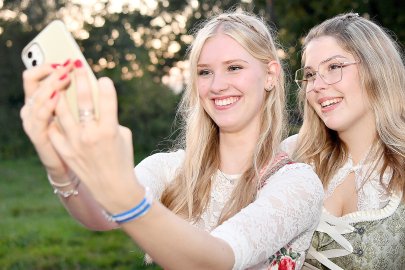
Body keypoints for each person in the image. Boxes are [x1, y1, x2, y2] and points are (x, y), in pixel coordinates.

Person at [20, 11, 324, 270]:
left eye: (234, 67)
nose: (217, 86)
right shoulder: (171, 168)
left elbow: (217, 259)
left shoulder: (298, 184)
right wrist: (58, 165)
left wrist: (128, 198)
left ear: (270, 75)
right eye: (205, 72)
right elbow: (101, 214)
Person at [281, 13, 405, 270]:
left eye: (334, 67)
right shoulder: (292, 156)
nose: (317, 85)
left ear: (376, 67)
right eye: (311, 75)